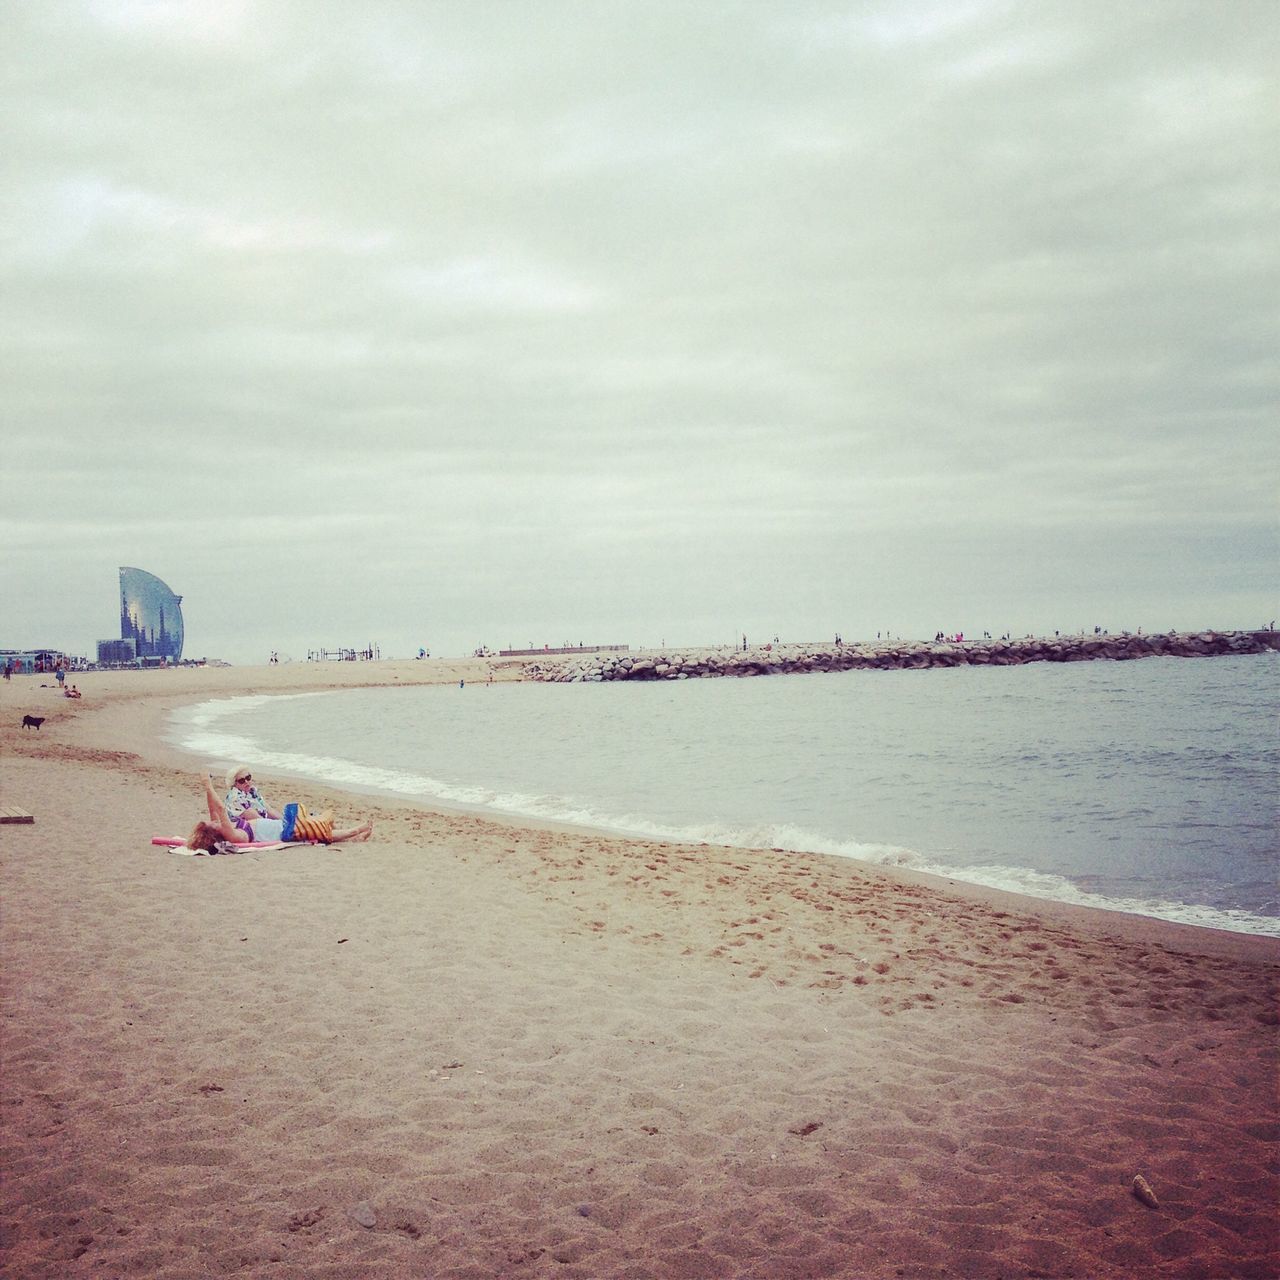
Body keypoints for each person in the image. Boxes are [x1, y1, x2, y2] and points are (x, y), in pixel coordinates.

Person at [187, 776, 372, 852]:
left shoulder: (223, 829)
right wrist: (207, 784)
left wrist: (208, 789)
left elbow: (213, 809)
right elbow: (220, 809)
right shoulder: (231, 834)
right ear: (212, 833)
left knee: (317, 824)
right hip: (285, 832)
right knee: (320, 832)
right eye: (210, 824)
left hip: (281, 826)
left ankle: (355, 838)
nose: (213, 821)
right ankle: (356, 830)